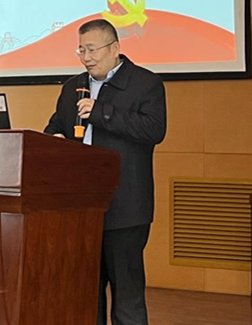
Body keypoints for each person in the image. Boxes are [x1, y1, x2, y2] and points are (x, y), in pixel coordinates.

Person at [44, 18, 167, 325]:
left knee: (127, 294)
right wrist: (54, 137)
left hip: (125, 205)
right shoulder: (73, 86)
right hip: (80, 206)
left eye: (92, 49)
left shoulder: (145, 83)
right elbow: (55, 124)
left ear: (114, 48)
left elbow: (154, 130)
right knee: (85, 291)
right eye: (81, 50)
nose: (86, 57)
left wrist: (100, 112)